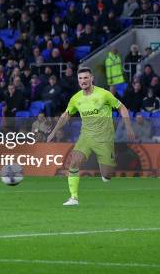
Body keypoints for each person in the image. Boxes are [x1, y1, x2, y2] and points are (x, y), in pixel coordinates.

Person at [48, 67, 134, 206]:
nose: (83, 81)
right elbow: (65, 115)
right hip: (86, 135)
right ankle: (73, 198)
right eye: (81, 78)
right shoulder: (76, 98)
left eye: (86, 78)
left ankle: (108, 164)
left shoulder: (104, 94)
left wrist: (129, 127)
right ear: (78, 81)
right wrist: (53, 131)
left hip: (104, 137)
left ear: (92, 78)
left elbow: (122, 107)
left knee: (106, 175)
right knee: (74, 162)